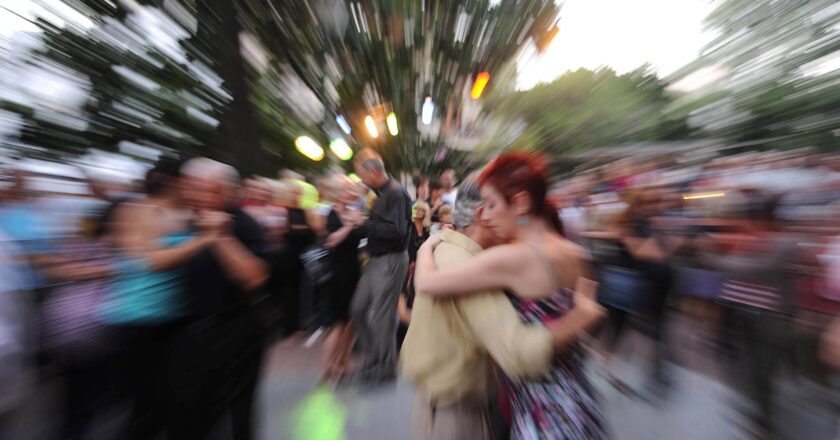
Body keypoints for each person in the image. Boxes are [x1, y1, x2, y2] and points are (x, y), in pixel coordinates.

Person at [414, 152, 608, 439]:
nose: (486, 215)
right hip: (578, 398)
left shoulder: (512, 259)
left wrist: (425, 247)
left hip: (543, 412)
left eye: (491, 204)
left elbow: (427, 283)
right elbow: (588, 321)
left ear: (520, 203)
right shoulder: (573, 252)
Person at [99, 159, 222, 438]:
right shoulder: (135, 212)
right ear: (175, 183)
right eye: (189, 184)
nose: (193, 190)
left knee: (178, 404)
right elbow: (153, 261)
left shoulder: (186, 214)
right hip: (137, 321)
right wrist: (205, 239)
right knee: (146, 408)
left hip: (176, 320)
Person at [166, 157, 269, 440]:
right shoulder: (181, 219)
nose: (190, 194)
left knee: (237, 411)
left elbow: (255, 278)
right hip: (189, 329)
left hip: (234, 330)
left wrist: (220, 237)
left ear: (222, 191)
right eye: (188, 187)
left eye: (200, 188)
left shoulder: (242, 223)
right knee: (190, 410)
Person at [349, 148, 412, 386]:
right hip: (377, 260)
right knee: (358, 308)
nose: (360, 180)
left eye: (361, 175)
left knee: (382, 316)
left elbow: (397, 232)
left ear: (374, 171)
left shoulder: (396, 194)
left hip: (390, 260)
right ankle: (375, 357)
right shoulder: (381, 194)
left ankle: (384, 367)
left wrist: (365, 224)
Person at [321, 174, 363, 383]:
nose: (351, 193)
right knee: (337, 323)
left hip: (353, 272)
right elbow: (331, 241)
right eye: (347, 190)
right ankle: (329, 366)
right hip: (338, 274)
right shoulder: (332, 213)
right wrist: (350, 226)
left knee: (351, 321)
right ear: (338, 193)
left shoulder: (351, 212)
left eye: (352, 190)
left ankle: (343, 362)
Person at [397, 200, 431, 349]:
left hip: (419, 271)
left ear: (425, 213)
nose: (418, 211)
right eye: (416, 209)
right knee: (404, 303)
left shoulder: (426, 231)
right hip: (406, 269)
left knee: (415, 303)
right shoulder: (407, 227)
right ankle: (400, 342)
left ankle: (413, 340)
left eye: (421, 209)